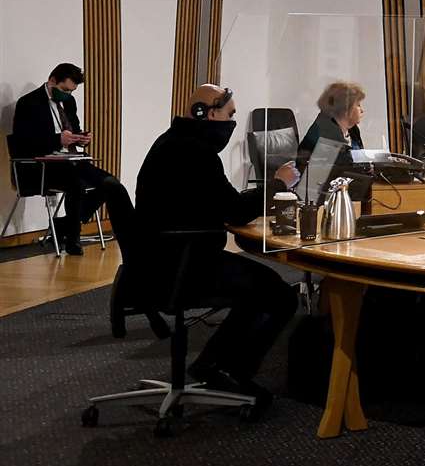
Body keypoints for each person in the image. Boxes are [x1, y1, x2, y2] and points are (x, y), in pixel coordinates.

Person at [135, 84, 300, 406]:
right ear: (209, 114)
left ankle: (213, 363)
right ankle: (230, 371)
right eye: (230, 115)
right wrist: (278, 183)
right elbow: (235, 210)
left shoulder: (173, 143)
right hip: (182, 265)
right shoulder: (195, 153)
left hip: (161, 261)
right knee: (278, 294)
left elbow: (216, 205)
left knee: (259, 285)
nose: (232, 122)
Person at [10, 62, 131, 255]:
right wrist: (57, 140)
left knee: (111, 184)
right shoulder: (28, 103)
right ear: (52, 81)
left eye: (71, 91)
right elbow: (24, 143)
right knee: (76, 185)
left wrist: (82, 139)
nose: (67, 95)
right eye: (64, 89)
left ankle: (64, 226)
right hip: (43, 166)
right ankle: (73, 238)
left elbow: (72, 130)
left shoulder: (69, 102)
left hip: (72, 160)